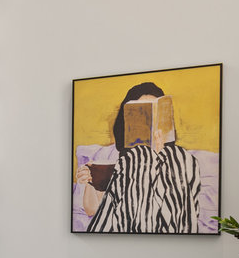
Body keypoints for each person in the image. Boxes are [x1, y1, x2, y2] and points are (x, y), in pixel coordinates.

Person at [75, 81, 201, 233]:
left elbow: (184, 211)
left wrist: (162, 159)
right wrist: (90, 182)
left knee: (178, 157)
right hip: (124, 232)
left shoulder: (182, 160)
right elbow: (93, 210)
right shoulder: (116, 159)